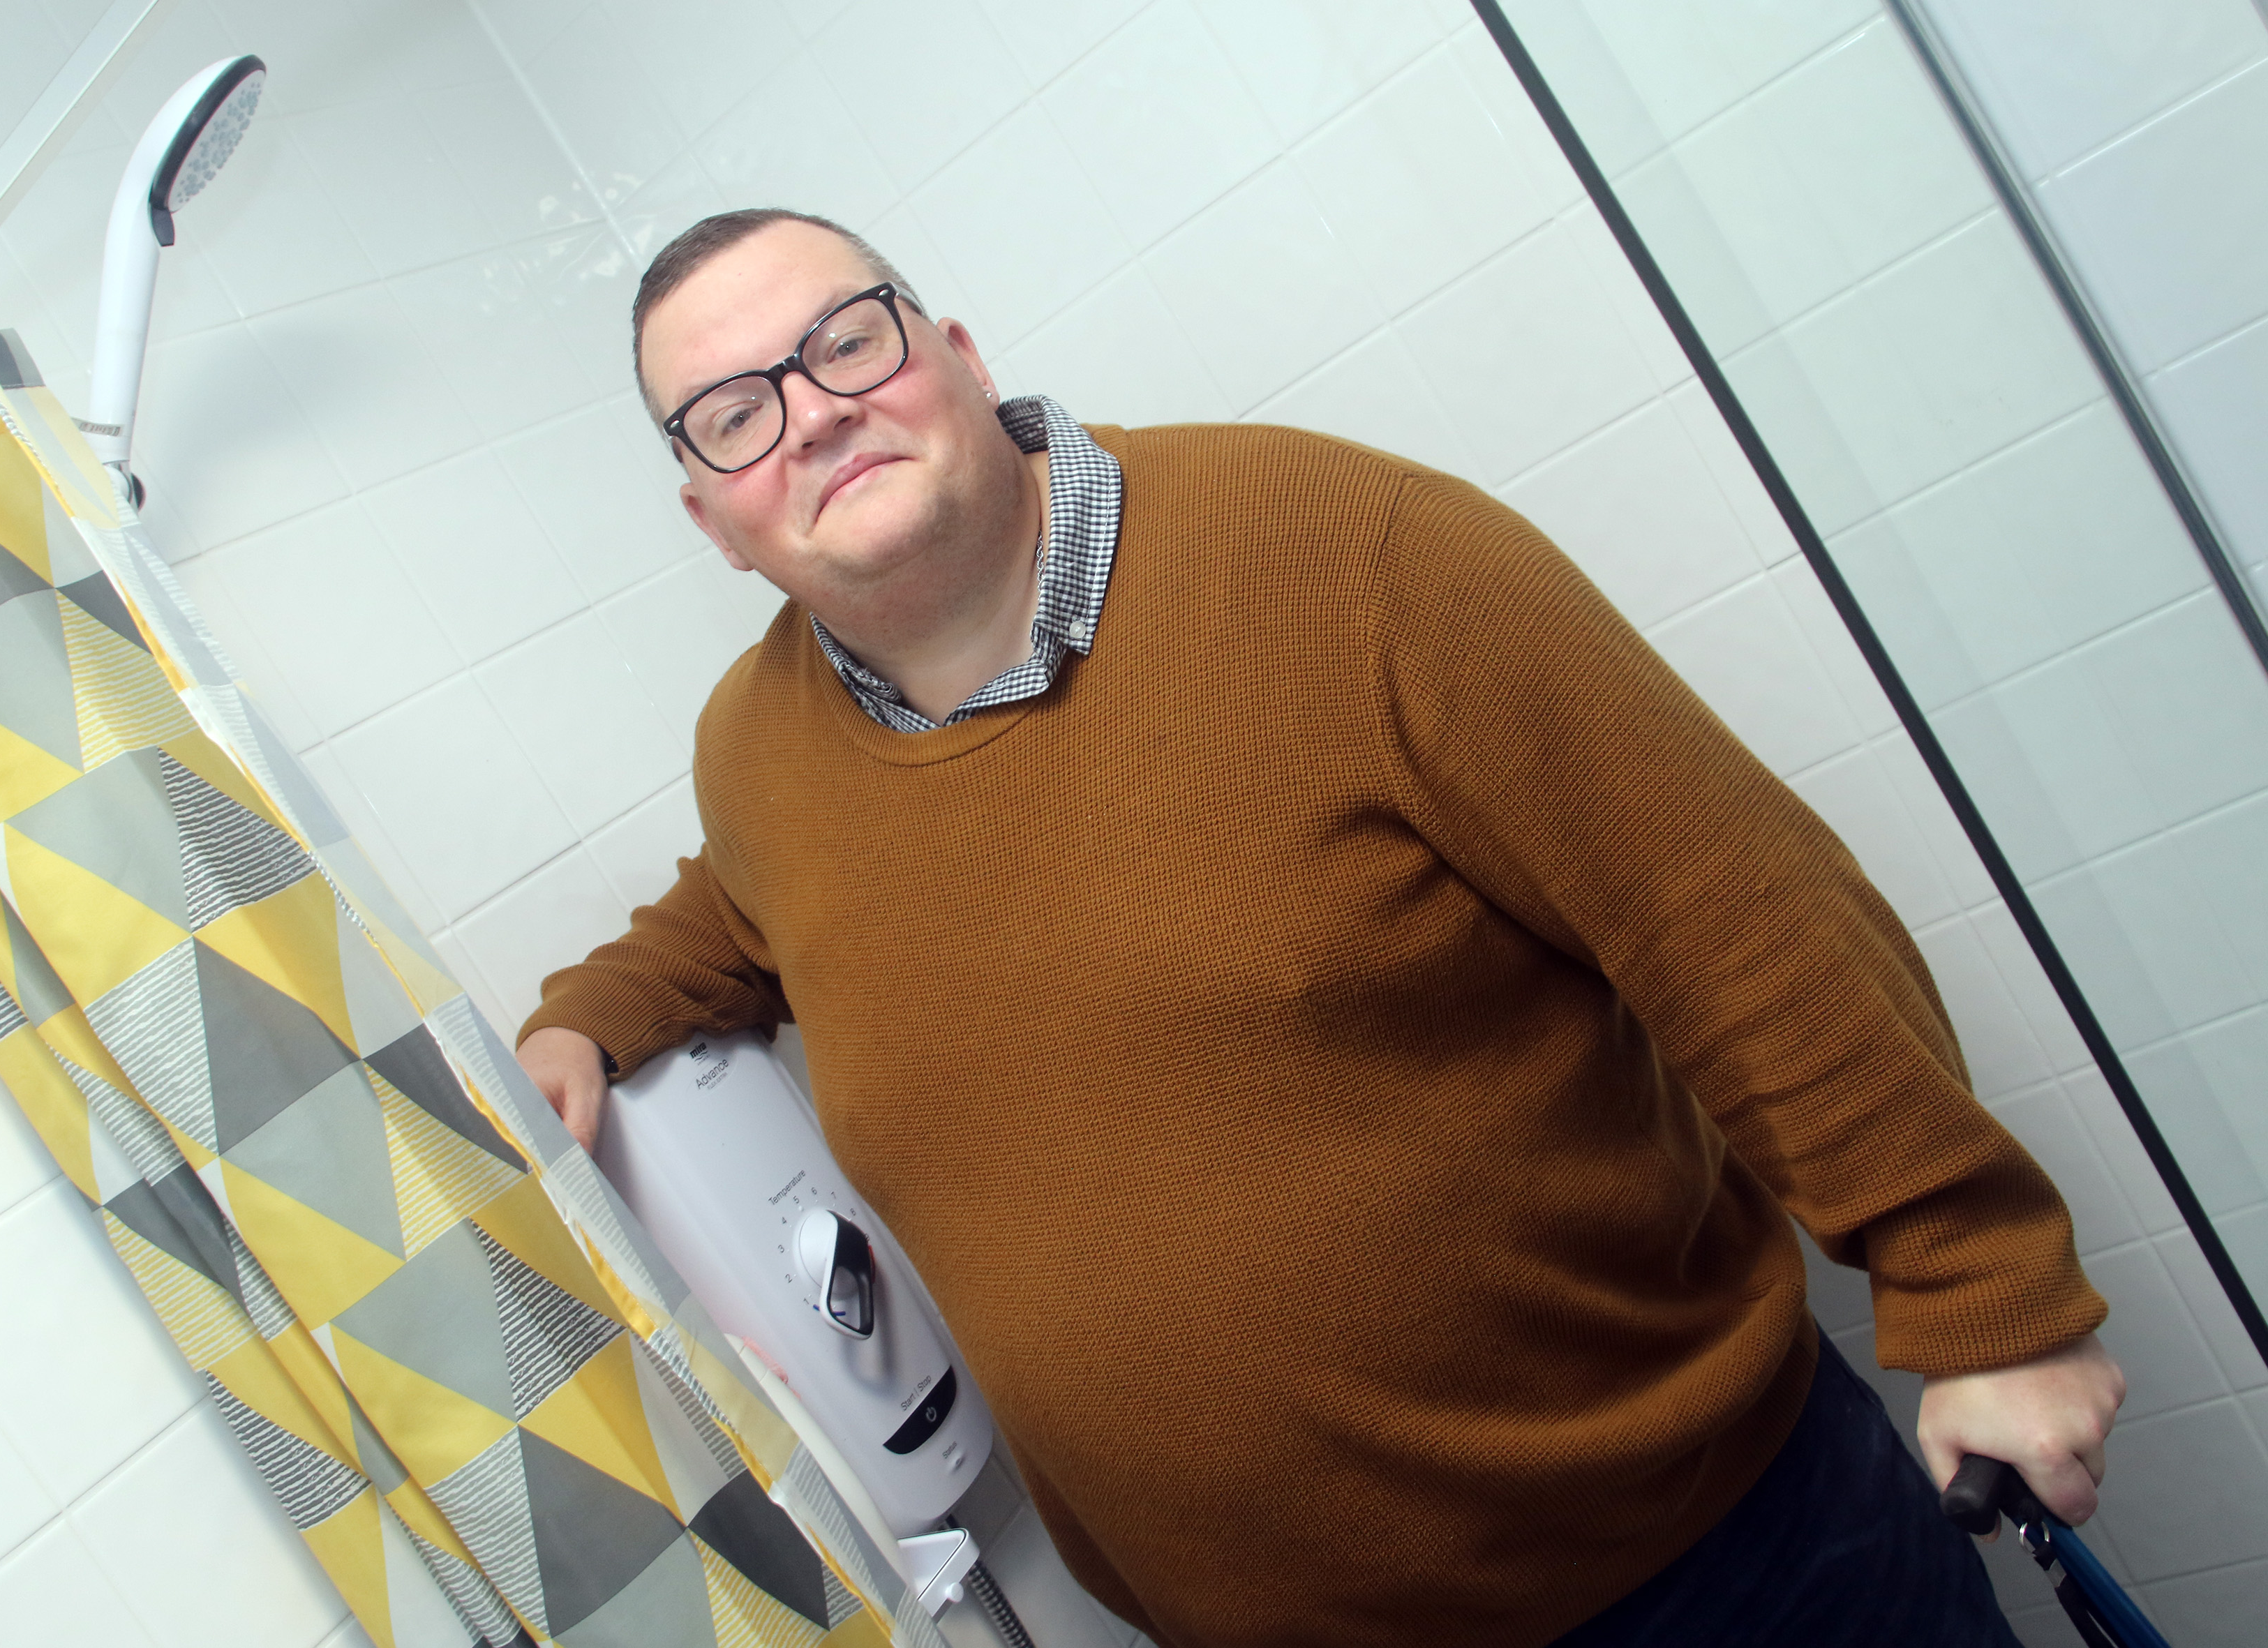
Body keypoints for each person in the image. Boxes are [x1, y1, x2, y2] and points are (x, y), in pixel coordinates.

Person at [516, 207, 2124, 1648]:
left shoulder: (1343, 547)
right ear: (711, 518)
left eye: (843, 339)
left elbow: (1736, 913)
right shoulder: (761, 742)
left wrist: (1985, 1290)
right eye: (737, 414)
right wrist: (584, 1016)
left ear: (948, 350)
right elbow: (733, 912)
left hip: (1713, 1568)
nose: (813, 413)